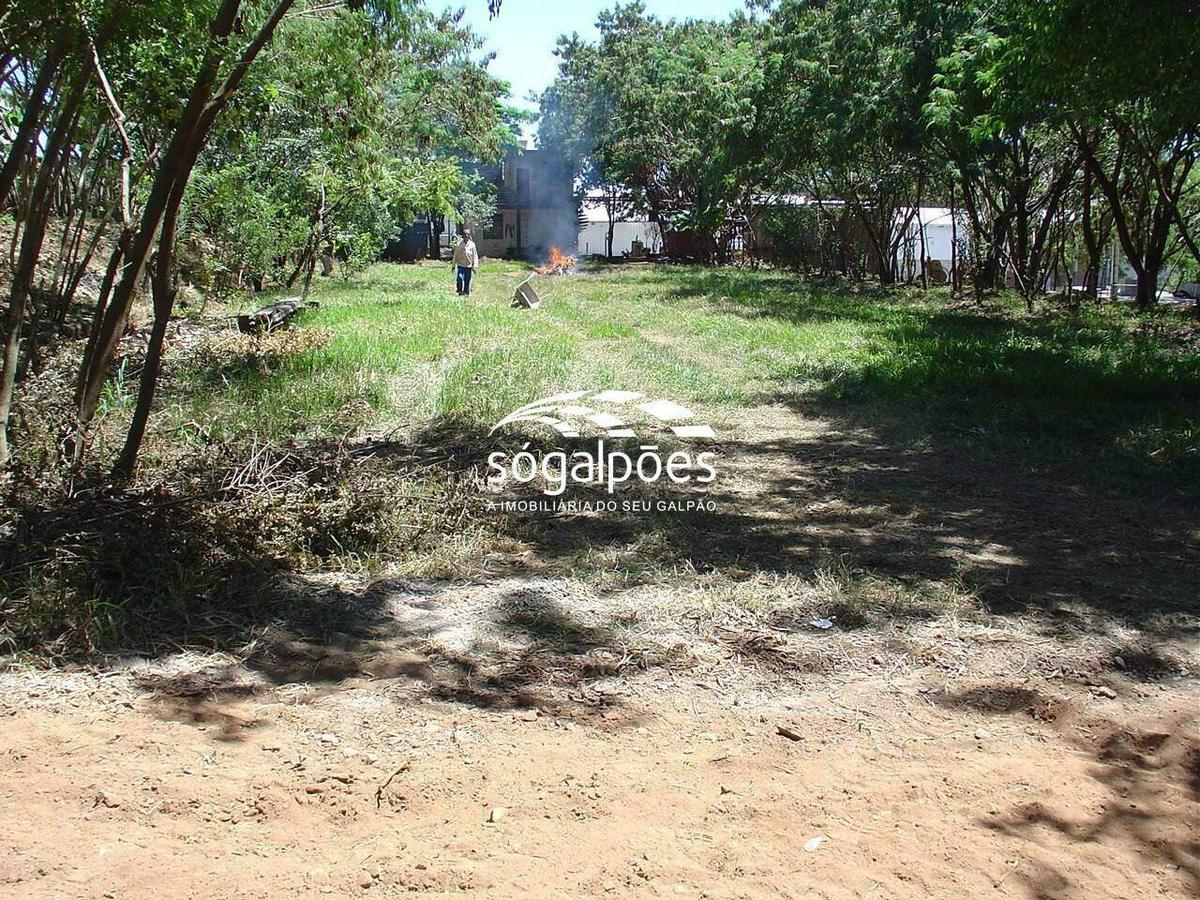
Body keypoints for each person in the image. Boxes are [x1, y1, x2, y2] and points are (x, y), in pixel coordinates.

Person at [452, 229, 480, 295]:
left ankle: (465, 292)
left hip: (469, 266)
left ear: (469, 235)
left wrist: (475, 266)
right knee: (460, 278)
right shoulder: (459, 244)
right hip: (461, 265)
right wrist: (453, 265)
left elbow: (475, 256)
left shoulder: (472, 245)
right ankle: (459, 290)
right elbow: (455, 255)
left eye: (467, 234)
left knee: (467, 280)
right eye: (465, 234)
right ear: (463, 236)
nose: (466, 236)